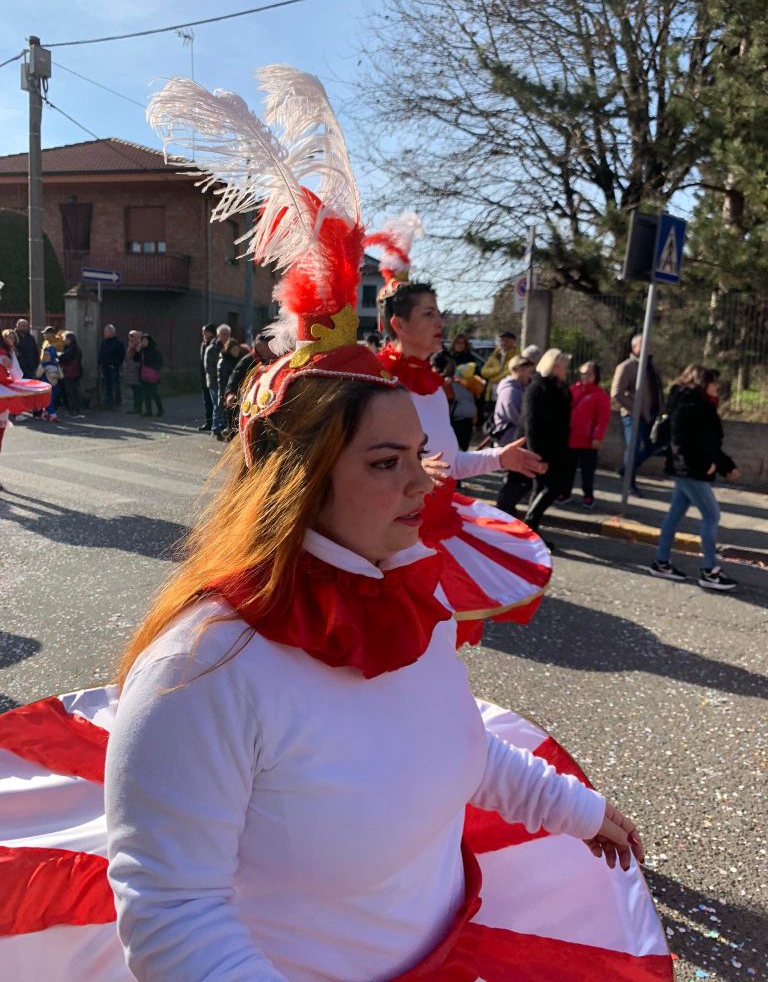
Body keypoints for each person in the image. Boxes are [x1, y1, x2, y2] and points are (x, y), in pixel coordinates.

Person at [0, 62, 668, 982]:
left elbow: (458, 749)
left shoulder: (410, 597)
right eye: (388, 465)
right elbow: (173, 921)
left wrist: (578, 813)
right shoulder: (202, 671)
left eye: (420, 460)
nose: (424, 488)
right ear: (302, 484)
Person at [369, 214, 551, 642]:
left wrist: (497, 458)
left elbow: (446, 466)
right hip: (393, 542)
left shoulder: (433, 386)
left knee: (433, 649)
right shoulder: (374, 385)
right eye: (429, 313)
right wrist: (402, 472)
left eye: (439, 313)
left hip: (439, 530)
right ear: (398, 324)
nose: (440, 322)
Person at [650, 365, 740, 591]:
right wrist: (704, 466)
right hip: (689, 472)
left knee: (674, 515)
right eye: (713, 382)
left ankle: (661, 562)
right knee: (712, 515)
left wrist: (725, 466)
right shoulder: (688, 406)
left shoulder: (700, 405)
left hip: (690, 471)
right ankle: (709, 570)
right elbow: (680, 444)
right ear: (702, 383)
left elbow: (708, 444)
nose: (717, 386)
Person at [521, 348, 572, 540]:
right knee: (552, 487)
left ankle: (531, 531)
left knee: (542, 488)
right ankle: (530, 523)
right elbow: (531, 425)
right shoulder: (537, 388)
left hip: (558, 448)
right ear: (554, 366)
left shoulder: (559, 387)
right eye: (564, 366)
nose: (566, 370)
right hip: (543, 450)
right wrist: (537, 456)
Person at [611, 333, 664, 496]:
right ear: (634, 348)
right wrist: (636, 409)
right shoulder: (627, 367)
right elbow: (617, 393)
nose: (648, 346)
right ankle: (629, 482)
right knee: (634, 448)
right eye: (643, 344)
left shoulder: (651, 367)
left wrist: (662, 408)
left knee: (651, 447)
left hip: (652, 415)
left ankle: (625, 470)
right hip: (633, 415)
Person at [0, 329, 50, 487]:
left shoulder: (6, 351)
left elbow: (15, 374)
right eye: (8, 336)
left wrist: (5, 361)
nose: (11, 339)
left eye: (12, 337)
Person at [557, 361, 611, 508]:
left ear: (596, 376)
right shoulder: (572, 390)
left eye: (589, 373)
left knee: (588, 471)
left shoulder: (600, 395)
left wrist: (597, 437)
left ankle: (588, 495)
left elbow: (603, 419)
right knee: (568, 468)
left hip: (588, 440)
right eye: (583, 373)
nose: (585, 376)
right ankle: (565, 493)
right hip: (571, 438)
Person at [493, 355, 535, 515]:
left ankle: (506, 509)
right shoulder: (510, 390)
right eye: (526, 369)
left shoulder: (519, 388)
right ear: (516, 370)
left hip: (514, 439)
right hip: (510, 440)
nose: (529, 373)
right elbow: (517, 415)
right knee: (514, 477)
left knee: (517, 477)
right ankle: (503, 510)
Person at [205, 323, 231, 438]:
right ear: (218, 335)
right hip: (214, 381)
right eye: (223, 334)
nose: (225, 336)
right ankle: (216, 428)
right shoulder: (211, 349)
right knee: (217, 404)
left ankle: (224, 427)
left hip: (227, 382)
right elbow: (208, 368)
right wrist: (221, 374)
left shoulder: (230, 347)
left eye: (227, 334)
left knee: (226, 405)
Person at [215, 338, 243, 440]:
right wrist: (223, 395)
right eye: (234, 350)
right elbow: (221, 380)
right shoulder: (224, 361)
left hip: (238, 391)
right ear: (229, 349)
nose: (236, 352)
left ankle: (234, 435)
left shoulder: (240, 359)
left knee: (237, 414)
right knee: (229, 416)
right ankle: (228, 435)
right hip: (228, 392)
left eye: (237, 349)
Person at [480, 330, 518, 403]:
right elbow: (484, 371)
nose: (503, 343)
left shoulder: (516, 356)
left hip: (507, 391)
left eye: (506, 341)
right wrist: (498, 370)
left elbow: (511, 372)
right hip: (491, 393)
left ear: (513, 341)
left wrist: (493, 379)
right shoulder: (496, 354)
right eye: (502, 340)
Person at [98, 325, 125, 411]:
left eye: (107, 332)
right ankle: (109, 402)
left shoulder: (118, 343)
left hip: (114, 367)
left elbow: (121, 355)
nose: (105, 333)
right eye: (105, 332)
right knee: (107, 386)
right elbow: (101, 353)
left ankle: (117, 403)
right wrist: (100, 362)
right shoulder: (104, 342)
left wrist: (115, 364)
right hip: (105, 367)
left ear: (112, 332)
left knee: (115, 385)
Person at [38, 326, 62, 422]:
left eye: (46, 333)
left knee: (54, 392)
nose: (44, 335)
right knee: (49, 393)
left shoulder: (58, 343)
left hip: (54, 372)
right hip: (46, 372)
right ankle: (51, 413)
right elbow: (43, 359)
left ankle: (47, 412)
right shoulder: (45, 343)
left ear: (52, 334)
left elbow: (57, 358)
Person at [137, 334, 164, 417]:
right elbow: (136, 359)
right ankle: (148, 411)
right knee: (145, 393)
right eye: (143, 340)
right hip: (143, 374)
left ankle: (160, 409)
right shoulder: (142, 350)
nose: (144, 342)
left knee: (153, 393)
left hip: (152, 375)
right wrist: (138, 349)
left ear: (149, 341)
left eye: (145, 340)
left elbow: (160, 362)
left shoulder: (154, 350)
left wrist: (155, 369)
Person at [58, 331, 84, 417]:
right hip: (72, 372)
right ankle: (73, 408)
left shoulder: (72, 348)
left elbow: (66, 358)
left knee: (72, 391)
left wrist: (60, 356)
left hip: (72, 372)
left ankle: (74, 409)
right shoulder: (71, 347)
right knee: (70, 391)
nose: (63, 340)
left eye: (64, 338)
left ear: (69, 339)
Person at [198, 323, 217, 432]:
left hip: (213, 377)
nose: (203, 333)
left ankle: (216, 423)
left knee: (215, 401)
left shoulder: (216, 344)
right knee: (207, 401)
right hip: (205, 377)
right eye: (203, 332)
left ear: (211, 332)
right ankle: (209, 423)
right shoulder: (203, 344)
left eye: (205, 331)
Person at [123, 330, 143, 414]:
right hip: (131, 372)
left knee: (138, 391)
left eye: (133, 338)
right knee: (135, 391)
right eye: (130, 338)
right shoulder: (130, 348)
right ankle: (136, 408)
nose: (131, 340)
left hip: (138, 372)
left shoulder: (139, 347)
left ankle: (139, 408)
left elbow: (138, 360)